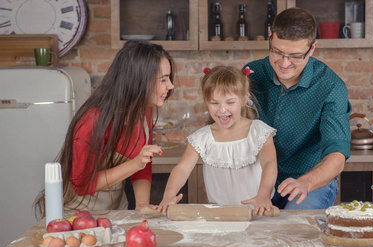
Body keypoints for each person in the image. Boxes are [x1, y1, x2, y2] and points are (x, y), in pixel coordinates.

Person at [34, 40, 175, 217]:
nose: (171, 86)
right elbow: (82, 184)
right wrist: (135, 164)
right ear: (139, 80)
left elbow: (143, 164)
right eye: (163, 80)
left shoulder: (143, 110)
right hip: (78, 214)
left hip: (116, 209)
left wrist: (142, 206)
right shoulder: (92, 121)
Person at [244, 7, 351, 209]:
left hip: (310, 181)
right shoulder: (251, 74)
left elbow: (336, 156)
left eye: (295, 56)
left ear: (312, 48)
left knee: (294, 230)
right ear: (270, 38)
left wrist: (305, 182)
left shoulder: (331, 86)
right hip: (257, 180)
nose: (284, 63)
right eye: (277, 52)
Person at [155, 66, 278, 215]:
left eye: (230, 102)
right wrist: (168, 195)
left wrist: (263, 196)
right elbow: (182, 169)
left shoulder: (259, 132)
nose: (222, 109)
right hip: (220, 215)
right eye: (215, 103)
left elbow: (269, 164)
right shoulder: (202, 138)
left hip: (258, 211)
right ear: (207, 101)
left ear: (244, 100)